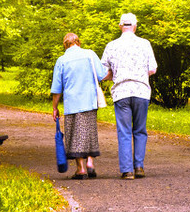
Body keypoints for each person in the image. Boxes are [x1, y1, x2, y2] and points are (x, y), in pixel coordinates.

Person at [100, 12, 157, 179]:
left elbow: (103, 73)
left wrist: (115, 74)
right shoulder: (145, 44)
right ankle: (139, 166)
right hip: (141, 91)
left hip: (121, 92)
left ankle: (127, 171)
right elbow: (152, 68)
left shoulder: (111, 46)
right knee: (140, 130)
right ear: (135, 26)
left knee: (124, 131)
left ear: (120, 26)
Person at [50, 32, 106, 179]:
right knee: (89, 133)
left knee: (74, 135)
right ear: (78, 42)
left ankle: (81, 169)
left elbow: (57, 89)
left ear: (65, 45)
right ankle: (90, 163)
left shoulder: (61, 60)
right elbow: (102, 75)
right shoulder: (90, 55)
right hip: (89, 101)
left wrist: (55, 107)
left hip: (72, 104)